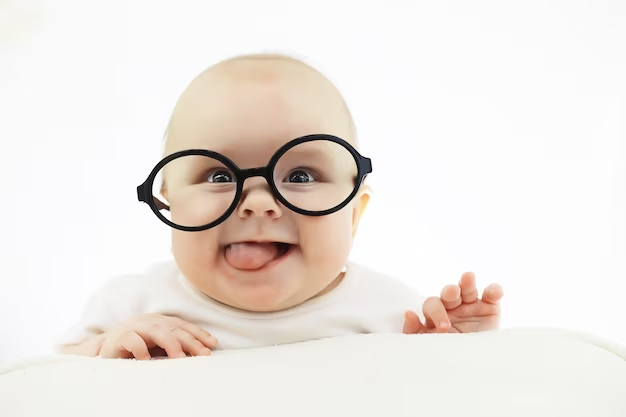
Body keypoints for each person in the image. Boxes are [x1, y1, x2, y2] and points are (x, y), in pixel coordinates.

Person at [58, 54, 504, 360]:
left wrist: (453, 352)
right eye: (219, 177)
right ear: (168, 203)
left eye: (300, 176)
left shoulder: (393, 314)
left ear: (355, 213)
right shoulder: (132, 304)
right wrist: (106, 350)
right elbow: (51, 377)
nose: (257, 203)